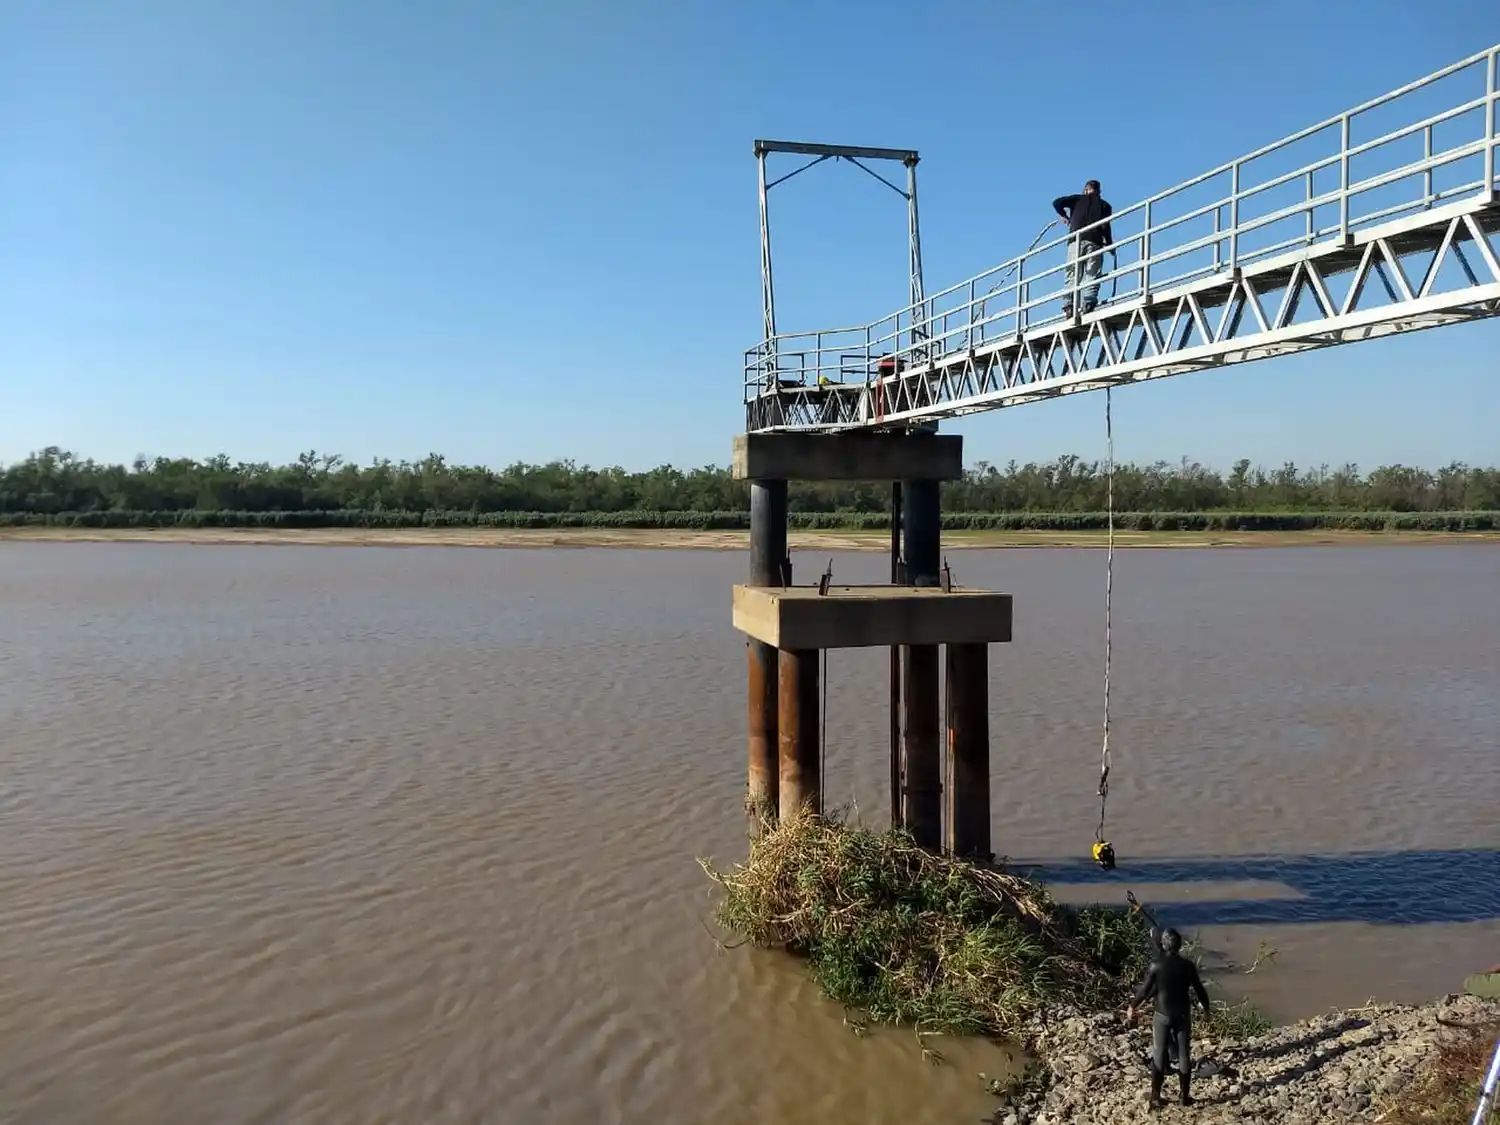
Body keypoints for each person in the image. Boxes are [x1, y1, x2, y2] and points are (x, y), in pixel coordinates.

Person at [1126, 927, 1212, 1110]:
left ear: (1163, 945)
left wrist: (1132, 1006)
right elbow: (1199, 989)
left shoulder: (1156, 965)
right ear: (1179, 946)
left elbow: (1144, 990)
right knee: (1183, 1055)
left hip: (1162, 1015)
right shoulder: (1187, 966)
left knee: (1159, 1052)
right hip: (1182, 1015)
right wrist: (1206, 1010)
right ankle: (1184, 1097)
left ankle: (1156, 1098)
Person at [1052, 180, 1114, 316]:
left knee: (1072, 271)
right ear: (1099, 191)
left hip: (1075, 241)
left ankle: (1069, 304)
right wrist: (1110, 245)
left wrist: (1064, 216)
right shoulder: (1105, 205)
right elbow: (1106, 227)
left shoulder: (1077, 199)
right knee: (1093, 272)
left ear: (1085, 190)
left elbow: (1056, 202)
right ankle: (1089, 302)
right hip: (1095, 240)